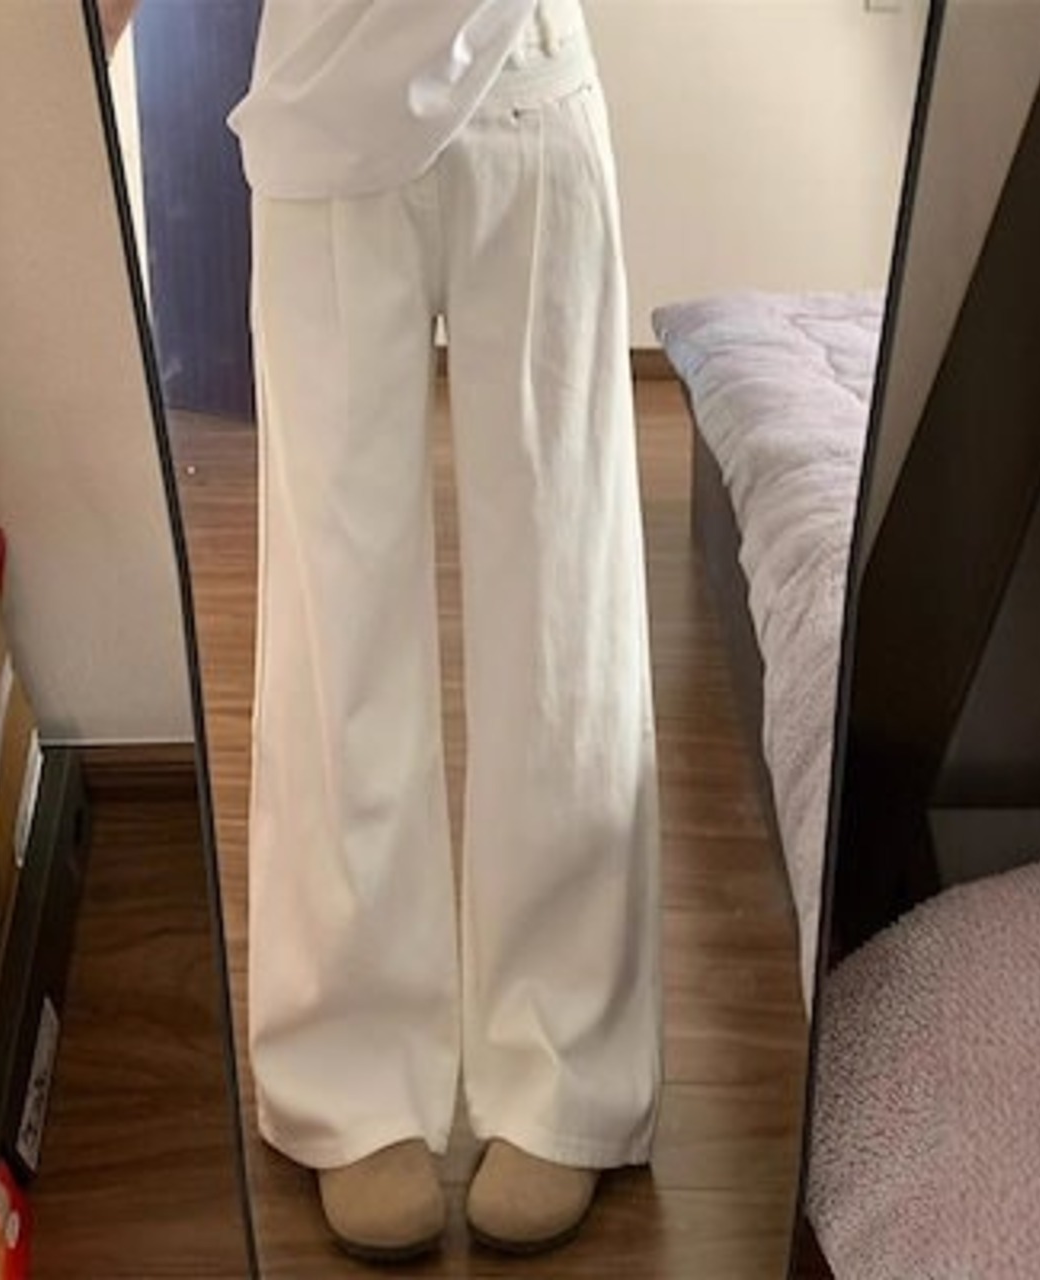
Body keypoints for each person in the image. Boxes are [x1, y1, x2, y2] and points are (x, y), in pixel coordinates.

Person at [100, 0, 661, 1260]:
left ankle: (565, 1062)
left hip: (528, 83)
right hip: (318, 113)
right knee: (334, 618)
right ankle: (349, 1068)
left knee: (562, 613)